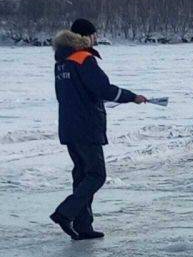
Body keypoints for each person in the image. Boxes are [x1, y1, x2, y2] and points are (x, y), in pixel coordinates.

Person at [50, 18, 147, 240]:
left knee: (82, 175)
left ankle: (83, 226)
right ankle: (65, 213)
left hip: (68, 126)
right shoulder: (84, 59)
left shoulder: (62, 62)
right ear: (86, 37)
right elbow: (104, 89)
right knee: (96, 175)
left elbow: (66, 95)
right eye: (95, 35)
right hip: (86, 127)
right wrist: (132, 97)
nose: (97, 38)